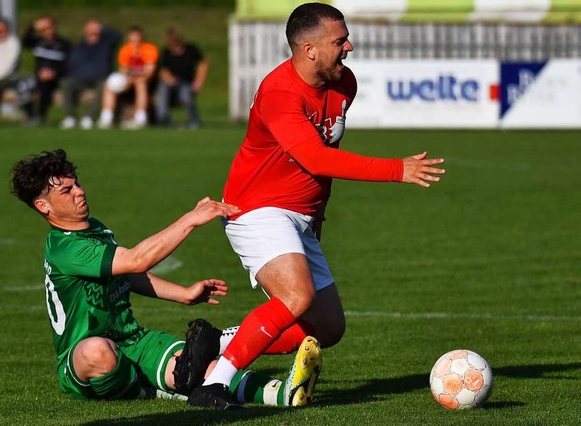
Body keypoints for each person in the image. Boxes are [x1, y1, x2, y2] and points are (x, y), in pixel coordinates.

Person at [188, 2, 445, 408]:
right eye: (339, 40)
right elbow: (315, 158)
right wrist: (398, 169)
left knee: (327, 327)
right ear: (309, 49)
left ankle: (218, 341)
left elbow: (323, 160)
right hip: (256, 208)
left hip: (300, 215)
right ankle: (212, 385)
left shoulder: (345, 84)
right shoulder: (279, 92)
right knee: (297, 297)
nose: (350, 47)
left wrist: (316, 217)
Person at [10, 149, 322, 408]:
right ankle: (146, 388)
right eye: (67, 190)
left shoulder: (93, 228)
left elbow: (128, 274)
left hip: (132, 340)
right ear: (44, 206)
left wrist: (183, 294)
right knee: (98, 351)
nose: (80, 191)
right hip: (80, 359)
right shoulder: (65, 247)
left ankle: (286, 393)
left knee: (201, 368)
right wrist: (190, 220)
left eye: (76, 184)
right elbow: (137, 259)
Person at [59, 19, 121, 130]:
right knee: (67, 83)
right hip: (80, 79)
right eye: (89, 29)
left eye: (94, 29)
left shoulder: (106, 44)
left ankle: (90, 117)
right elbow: (70, 64)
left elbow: (118, 36)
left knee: (105, 86)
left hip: (100, 79)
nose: (92, 32)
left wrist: (102, 28)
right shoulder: (79, 46)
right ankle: (71, 117)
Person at [98, 26, 158, 129]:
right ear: (129, 37)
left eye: (137, 36)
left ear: (141, 36)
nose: (135, 39)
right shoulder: (125, 50)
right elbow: (124, 70)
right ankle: (106, 118)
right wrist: (127, 80)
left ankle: (140, 118)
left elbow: (149, 72)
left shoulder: (149, 49)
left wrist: (132, 79)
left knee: (140, 83)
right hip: (130, 79)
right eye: (133, 37)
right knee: (109, 85)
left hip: (147, 81)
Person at [21, 15, 71, 125]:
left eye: (50, 28)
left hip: (56, 77)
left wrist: (55, 73)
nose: (48, 31)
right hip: (38, 76)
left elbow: (70, 64)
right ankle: (30, 115)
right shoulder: (38, 42)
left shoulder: (64, 44)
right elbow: (24, 41)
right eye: (44, 29)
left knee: (45, 88)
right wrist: (33, 27)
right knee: (22, 86)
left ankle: (40, 116)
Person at [156, 27, 208, 129]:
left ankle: (194, 120)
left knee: (186, 96)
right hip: (171, 82)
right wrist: (168, 77)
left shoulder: (191, 50)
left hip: (186, 82)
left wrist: (199, 81)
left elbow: (203, 64)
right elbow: (162, 70)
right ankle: (163, 118)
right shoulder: (166, 52)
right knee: (162, 89)